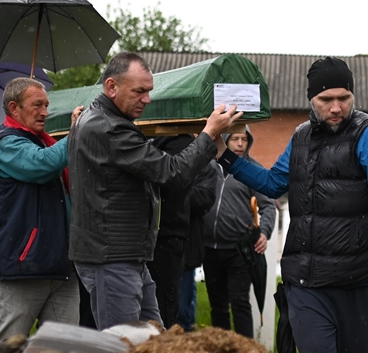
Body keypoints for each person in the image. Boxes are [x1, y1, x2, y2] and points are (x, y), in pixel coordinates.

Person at [217, 56, 368, 353]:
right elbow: (273, 184)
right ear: (311, 100)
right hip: (306, 283)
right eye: (326, 100)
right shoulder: (301, 137)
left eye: (344, 97)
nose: (336, 107)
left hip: (355, 283)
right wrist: (226, 156)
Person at [68, 51, 241, 329]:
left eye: (149, 91)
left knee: (154, 342)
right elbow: (172, 173)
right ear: (111, 87)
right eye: (139, 91)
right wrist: (208, 134)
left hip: (124, 254)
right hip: (112, 258)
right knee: (125, 352)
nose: (147, 99)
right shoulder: (110, 129)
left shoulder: (96, 118)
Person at [0, 77, 83, 351]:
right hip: (20, 267)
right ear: (14, 108)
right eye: (37, 105)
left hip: (59, 263)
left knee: (61, 351)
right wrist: (78, 131)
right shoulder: (5, 144)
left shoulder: (41, 141)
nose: (45, 112)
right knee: (5, 352)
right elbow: (42, 165)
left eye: (46, 105)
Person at [203, 127, 275, 339]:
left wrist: (265, 232)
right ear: (225, 140)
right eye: (235, 139)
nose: (240, 144)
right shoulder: (208, 167)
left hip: (239, 251)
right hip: (209, 249)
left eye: (244, 139)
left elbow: (269, 206)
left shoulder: (251, 170)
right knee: (217, 306)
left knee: (240, 303)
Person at [146, 134, 218, 329]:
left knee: (179, 307)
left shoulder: (206, 166)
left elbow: (204, 198)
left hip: (183, 241)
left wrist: (180, 194)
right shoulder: (156, 144)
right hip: (158, 239)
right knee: (157, 308)